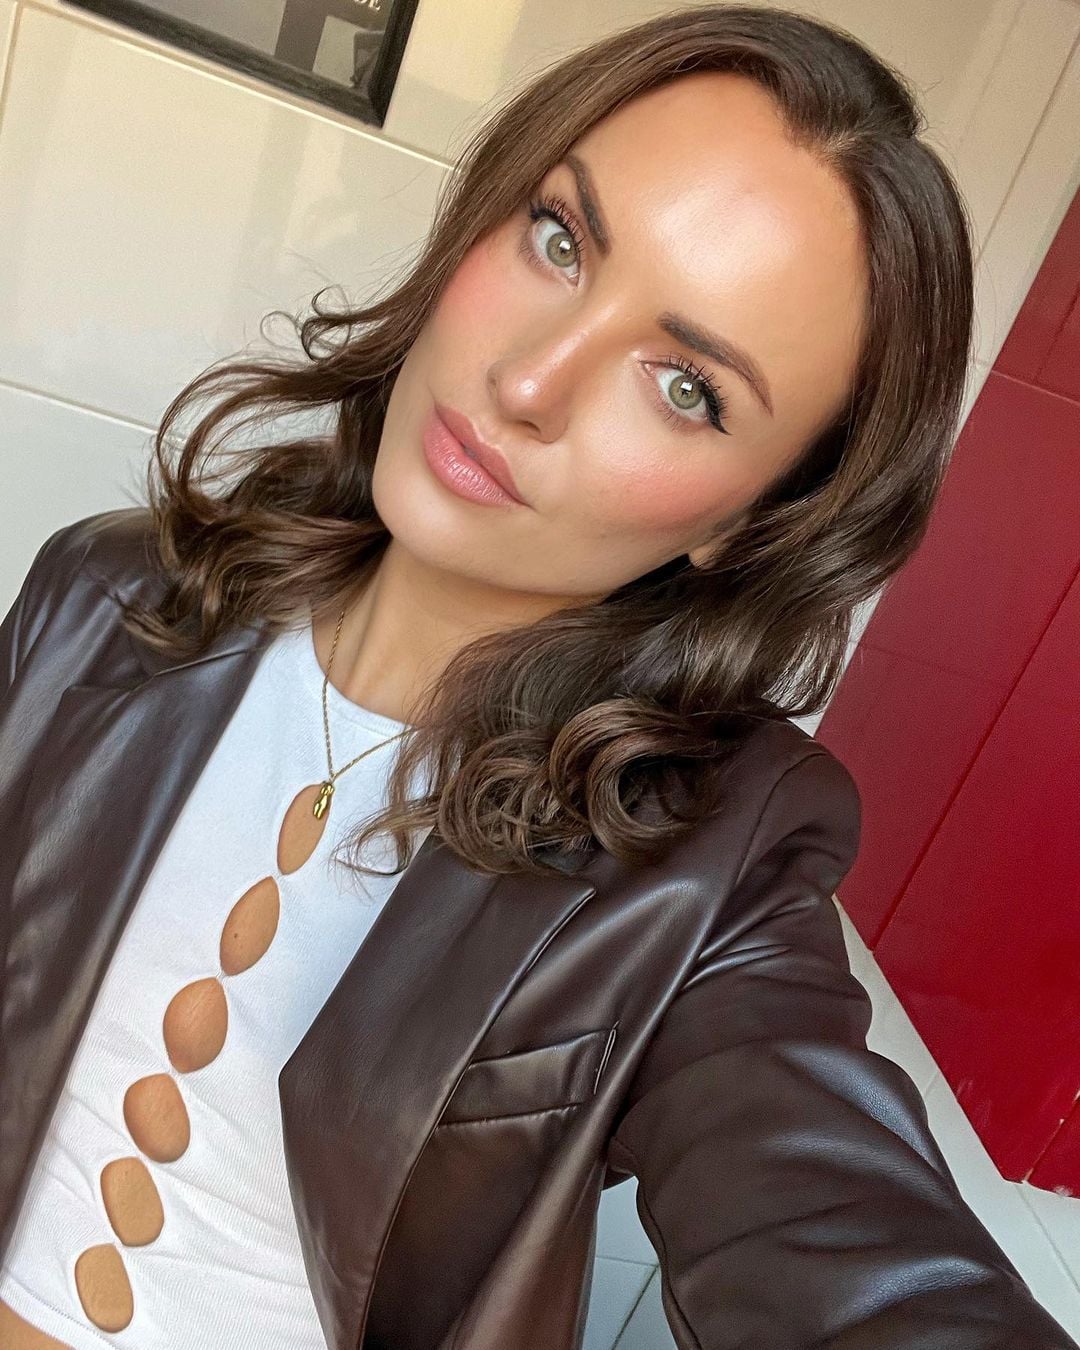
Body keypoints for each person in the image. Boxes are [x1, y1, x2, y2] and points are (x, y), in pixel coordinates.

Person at [0, 5, 1075, 1348]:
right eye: (560, 239)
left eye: (686, 386)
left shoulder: (698, 865)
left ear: (750, 519)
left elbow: (846, 1243)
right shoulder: (107, 599)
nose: (528, 380)